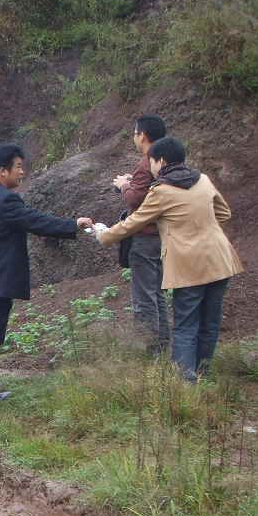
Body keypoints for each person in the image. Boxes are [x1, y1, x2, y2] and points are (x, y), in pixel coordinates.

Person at [0, 144, 93, 401]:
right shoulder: (6, 200)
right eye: (18, 167)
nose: (22, 172)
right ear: (3, 170)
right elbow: (37, 221)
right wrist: (73, 224)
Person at [96, 137, 243, 382]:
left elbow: (134, 222)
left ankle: (184, 383)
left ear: (161, 161)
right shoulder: (203, 180)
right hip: (220, 259)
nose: (151, 167)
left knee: (186, 324)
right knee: (209, 322)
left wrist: (104, 236)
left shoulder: (161, 191)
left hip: (189, 265)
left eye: (152, 161)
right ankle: (203, 375)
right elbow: (224, 213)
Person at [112, 115, 168, 352]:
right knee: (158, 294)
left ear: (142, 136)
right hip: (161, 235)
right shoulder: (165, 159)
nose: (134, 138)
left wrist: (124, 185)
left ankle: (151, 351)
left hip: (144, 236)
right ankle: (163, 348)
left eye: (135, 134)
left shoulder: (146, 162)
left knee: (144, 298)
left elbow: (135, 199)